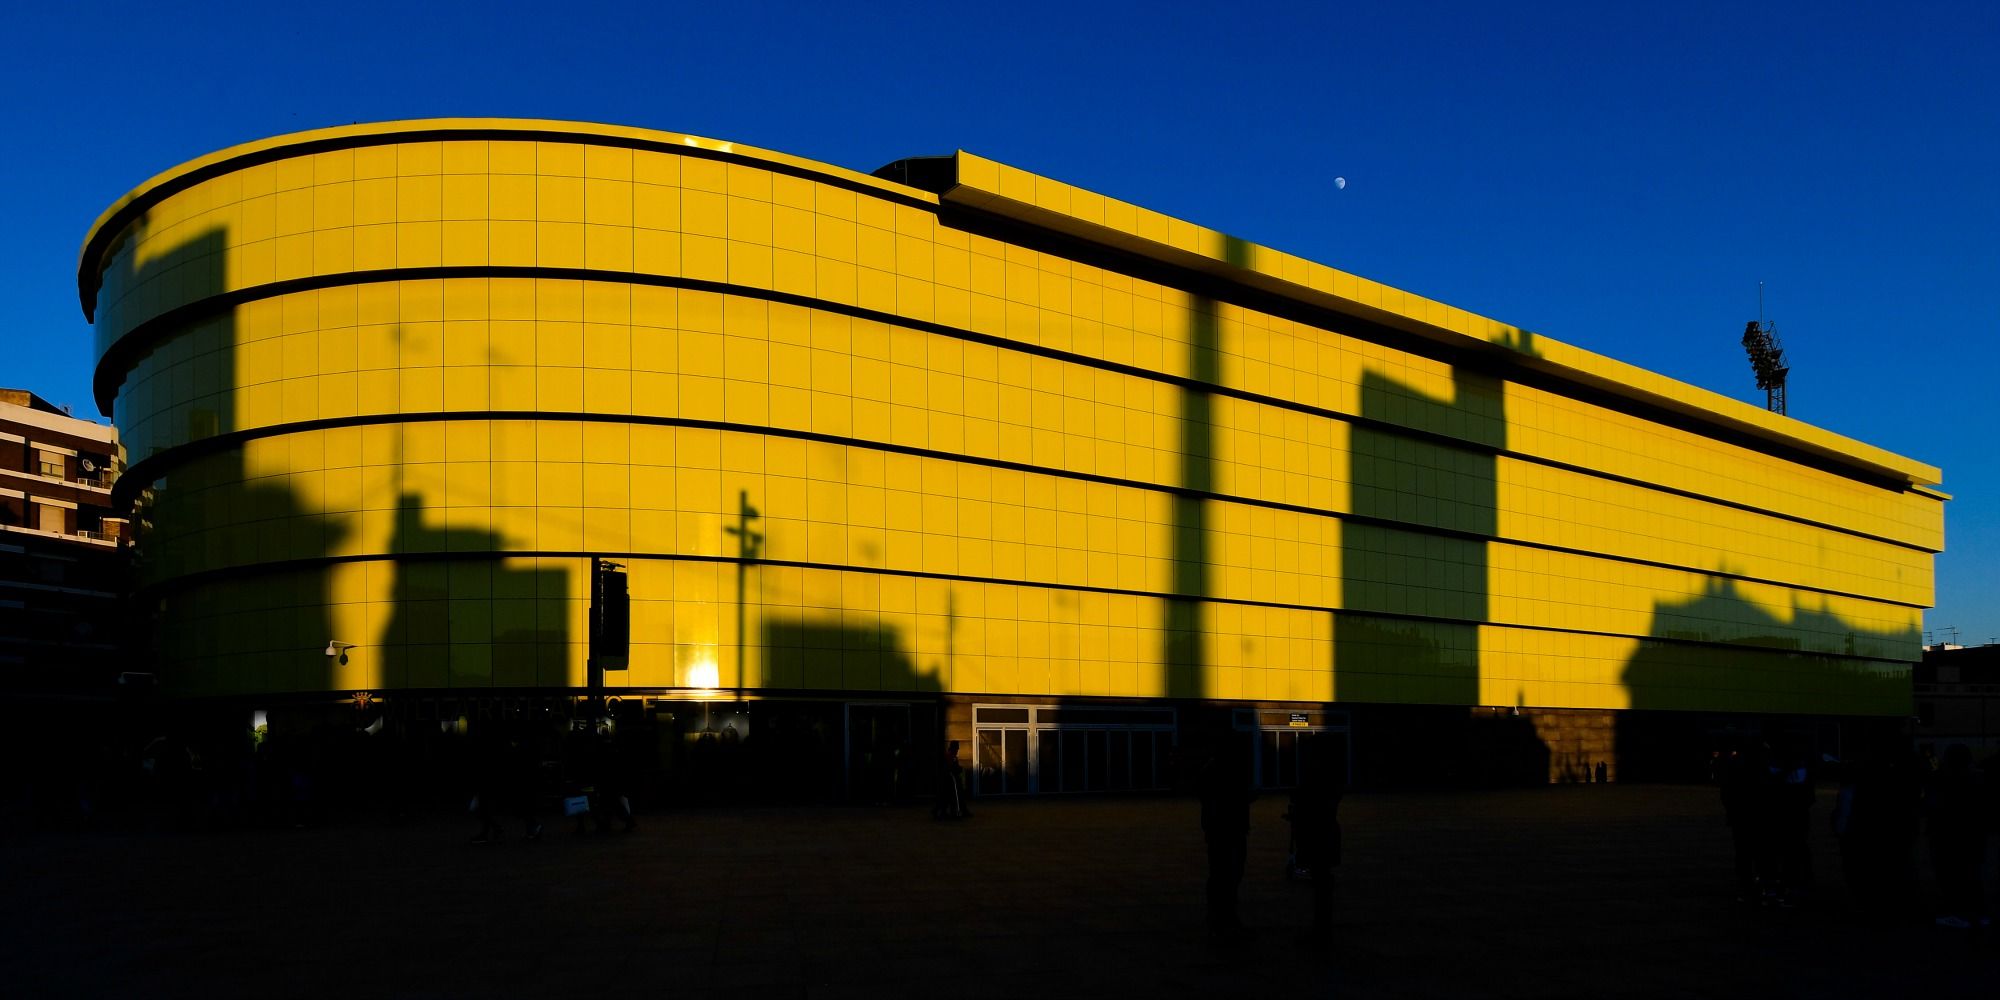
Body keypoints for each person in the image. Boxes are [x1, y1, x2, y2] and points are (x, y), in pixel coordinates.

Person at [1287, 734, 1346, 944]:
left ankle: (1321, 931)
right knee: (1322, 882)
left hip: (1318, 834)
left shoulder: (1316, 778)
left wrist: (1299, 813)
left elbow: (1311, 804)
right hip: (1325, 833)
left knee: (1321, 882)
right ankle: (1322, 928)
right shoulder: (1331, 777)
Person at [1197, 735, 1254, 939]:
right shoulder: (1221, 771)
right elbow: (1224, 800)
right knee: (1226, 874)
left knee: (1224, 874)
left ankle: (1221, 917)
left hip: (1222, 829)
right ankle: (1222, 918)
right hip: (1226, 829)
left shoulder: (1213, 769)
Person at [1925, 744, 1989, 928]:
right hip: (1974, 836)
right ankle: (1978, 913)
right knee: (1972, 875)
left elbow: (1935, 807)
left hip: (1950, 836)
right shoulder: (1978, 779)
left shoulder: (1945, 780)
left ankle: (1958, 913)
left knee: (1952, 876)